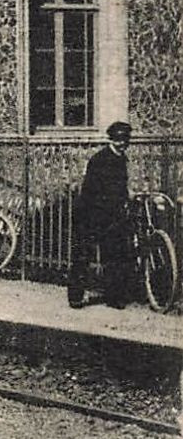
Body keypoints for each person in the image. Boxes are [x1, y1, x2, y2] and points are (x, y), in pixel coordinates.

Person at [69, 121, 135, 309]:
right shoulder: (100, 159)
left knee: (114, 255)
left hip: (111, 214)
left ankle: (113, 298)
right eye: (119, 140)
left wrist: (126, 194)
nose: (122, 144)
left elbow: (120, 186)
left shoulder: (122, 159)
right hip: (90, 213)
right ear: (112, 140)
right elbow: (95, 190)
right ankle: (75, 296)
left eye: (125, 140)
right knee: (83, 255)